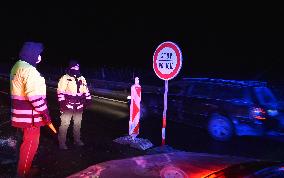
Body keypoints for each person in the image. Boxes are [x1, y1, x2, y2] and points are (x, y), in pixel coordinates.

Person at [10, 41, 52, 177]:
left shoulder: (17, 66)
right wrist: (45, 113)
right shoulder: (30, 71)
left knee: (24, 142)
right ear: (33, 54)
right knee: (30, 144)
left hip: (19, 114)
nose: (40, 56)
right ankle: (22, 173)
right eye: (39, 54)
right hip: (30, 116)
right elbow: (35, 97)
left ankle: (24, 168)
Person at [57, 59, 91, 150]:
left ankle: (77, 140)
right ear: (70, 67)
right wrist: (62, 103)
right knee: (65, 124)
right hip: (68, 105)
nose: (76, 68)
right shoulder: (64, 78)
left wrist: (88, 99)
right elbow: (60, 92)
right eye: (74, 66)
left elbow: (86, 90)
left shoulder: (82, 78)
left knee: (77, 124)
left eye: (77, 66)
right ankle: (62, 143)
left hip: (79, 105)